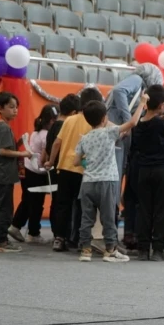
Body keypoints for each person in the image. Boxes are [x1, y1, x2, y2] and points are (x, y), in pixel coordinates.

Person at [74, 95, 147, 262]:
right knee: (108, 217)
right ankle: (110, 250)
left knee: (87, 218)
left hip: (87, 183)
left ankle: (85, 250)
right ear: (104, 118)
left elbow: (76, 161)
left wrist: (90, 162)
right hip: (107, 181)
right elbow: (132, 124)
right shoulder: (109, 132)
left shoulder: (84, 138)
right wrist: (142, 103)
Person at [46, 87, 104, 252]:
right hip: (83, 170)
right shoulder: (93, 122)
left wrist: (51, 161)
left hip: (64, 167)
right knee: (81, 206)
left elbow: (57, 143)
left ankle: (59, 238)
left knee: (62, 204)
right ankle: (78, 239)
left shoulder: (69, 120)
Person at [133, 85, 164, 261]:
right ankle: (158, 249)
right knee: (162, 210)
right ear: (162, 106)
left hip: (143, 170)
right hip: (163, 170)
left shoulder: (139, 124)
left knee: (144, 210)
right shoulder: (162, 123)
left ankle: (143, 248)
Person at [0, 92, 33, 253]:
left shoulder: (0, 126)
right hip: (4, 173)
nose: (15, 111)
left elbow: (6, 148)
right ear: (0, 108)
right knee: (5, 209)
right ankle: (1, 242)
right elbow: (3, 151)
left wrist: (19, 143)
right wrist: (24, 153)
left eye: (16, 108)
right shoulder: (5, 127)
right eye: (11, 107)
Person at [9, 104, 58, 245]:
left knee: (28, 200)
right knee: (36, 203)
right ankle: (32, 233)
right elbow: (44, 158)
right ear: (51, 121)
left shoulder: (36, 132)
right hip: (37, 172)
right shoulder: (47, 135)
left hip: (28, 170)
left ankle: (16, 226)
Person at [41, 94, 80, 247]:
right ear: (73, 113)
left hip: (54, 168)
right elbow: (57, 144)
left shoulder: (53, 126)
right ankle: (64, 234)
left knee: (58, 203)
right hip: (62, 167)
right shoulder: (66, 125)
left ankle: (58, 235)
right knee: (65, 203)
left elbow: (48, 147)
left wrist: (48, 161)